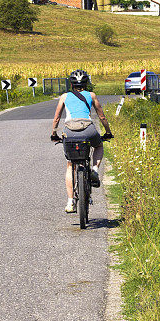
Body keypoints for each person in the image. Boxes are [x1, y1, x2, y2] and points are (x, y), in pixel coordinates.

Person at [51, 69, 113, 213]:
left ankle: (70, 202)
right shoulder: (92, 95)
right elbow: (102, 116)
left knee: (70, 165)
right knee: (98, 146)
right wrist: (108, 132)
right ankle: (95, 170)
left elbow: (57, 118)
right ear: (86, 83)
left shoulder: (64, 97)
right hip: (88, 129)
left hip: (70, 132)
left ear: (71, 84)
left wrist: (54, 133)